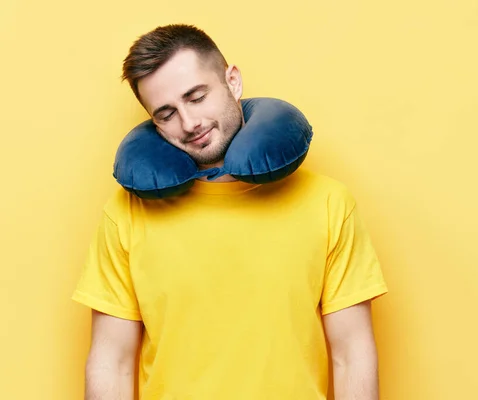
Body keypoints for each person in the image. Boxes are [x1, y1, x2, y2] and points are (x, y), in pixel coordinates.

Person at [72, 23, 388, 400]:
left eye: (196, 96)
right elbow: (113, 360)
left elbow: (351, 356)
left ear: (232, 81)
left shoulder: (328, 203)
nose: (190, 124)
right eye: (166, 113)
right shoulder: (126, 214)